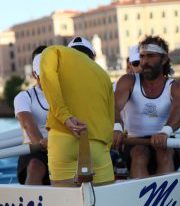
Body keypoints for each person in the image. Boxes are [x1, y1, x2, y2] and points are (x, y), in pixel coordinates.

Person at [39, 36, 115, 187]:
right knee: (104, 202)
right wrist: (106, 147)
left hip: (62, 140)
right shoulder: (104, 75)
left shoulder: (55, 52)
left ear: (69, 50)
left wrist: (65, 116)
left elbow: (47, 75)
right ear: (93, 57)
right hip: (96, 144)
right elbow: (110, 117)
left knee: (64, 201)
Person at [113, 35, 180, 179]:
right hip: (134, 143)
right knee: (140, 153)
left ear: (164, 59)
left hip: (166, 139)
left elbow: (179, 112)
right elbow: (114, 106)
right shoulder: (128, 81)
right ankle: (143, 197)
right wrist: (117, 127)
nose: (145, 62)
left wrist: (165, 131)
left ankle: (165, 196)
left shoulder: (177, 87)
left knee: (163, 153)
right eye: (142, 57)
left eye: (150, 56)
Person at [14, 45, 50, 185]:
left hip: (62, 147)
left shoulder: (67, 94)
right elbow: (28, 124)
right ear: (35, 74)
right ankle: (32, 204)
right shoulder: (24, 97)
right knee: (35, 166)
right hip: (36, 150)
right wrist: (43, 144)